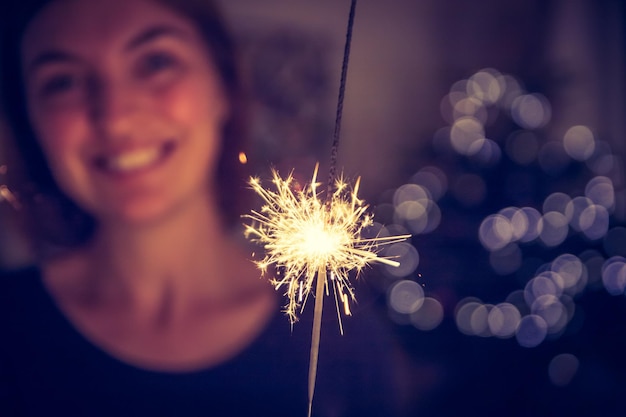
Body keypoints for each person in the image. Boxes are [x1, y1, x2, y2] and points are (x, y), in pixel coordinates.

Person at [0, 0, 402, 416]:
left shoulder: (345, 341)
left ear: (224, 87)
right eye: (62, 82)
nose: (115, 117)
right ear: (30, 121)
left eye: (155, 62)